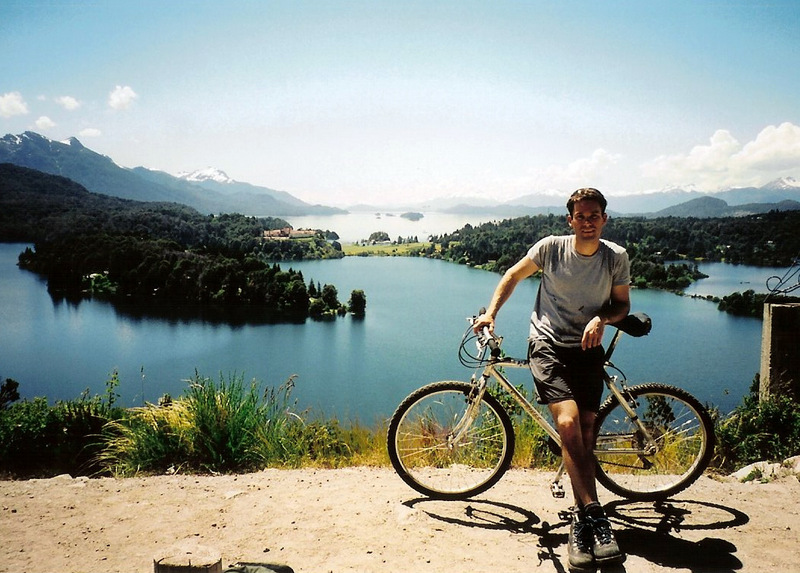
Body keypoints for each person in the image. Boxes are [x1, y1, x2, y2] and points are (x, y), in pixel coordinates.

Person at [474, 187, 630, 571]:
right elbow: (513, 275)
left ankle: (580, 519)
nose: (588, 222)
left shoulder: (616, 258)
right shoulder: (550, 249)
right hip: (546, 343)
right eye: (581, 216)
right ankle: (594, 514)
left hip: (588, 346)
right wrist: (491, 313)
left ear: (604, 219)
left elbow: (622, 304)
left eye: (595, 215)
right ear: (570, 220)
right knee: (568, 422)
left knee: (587, 428)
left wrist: (602, 318)